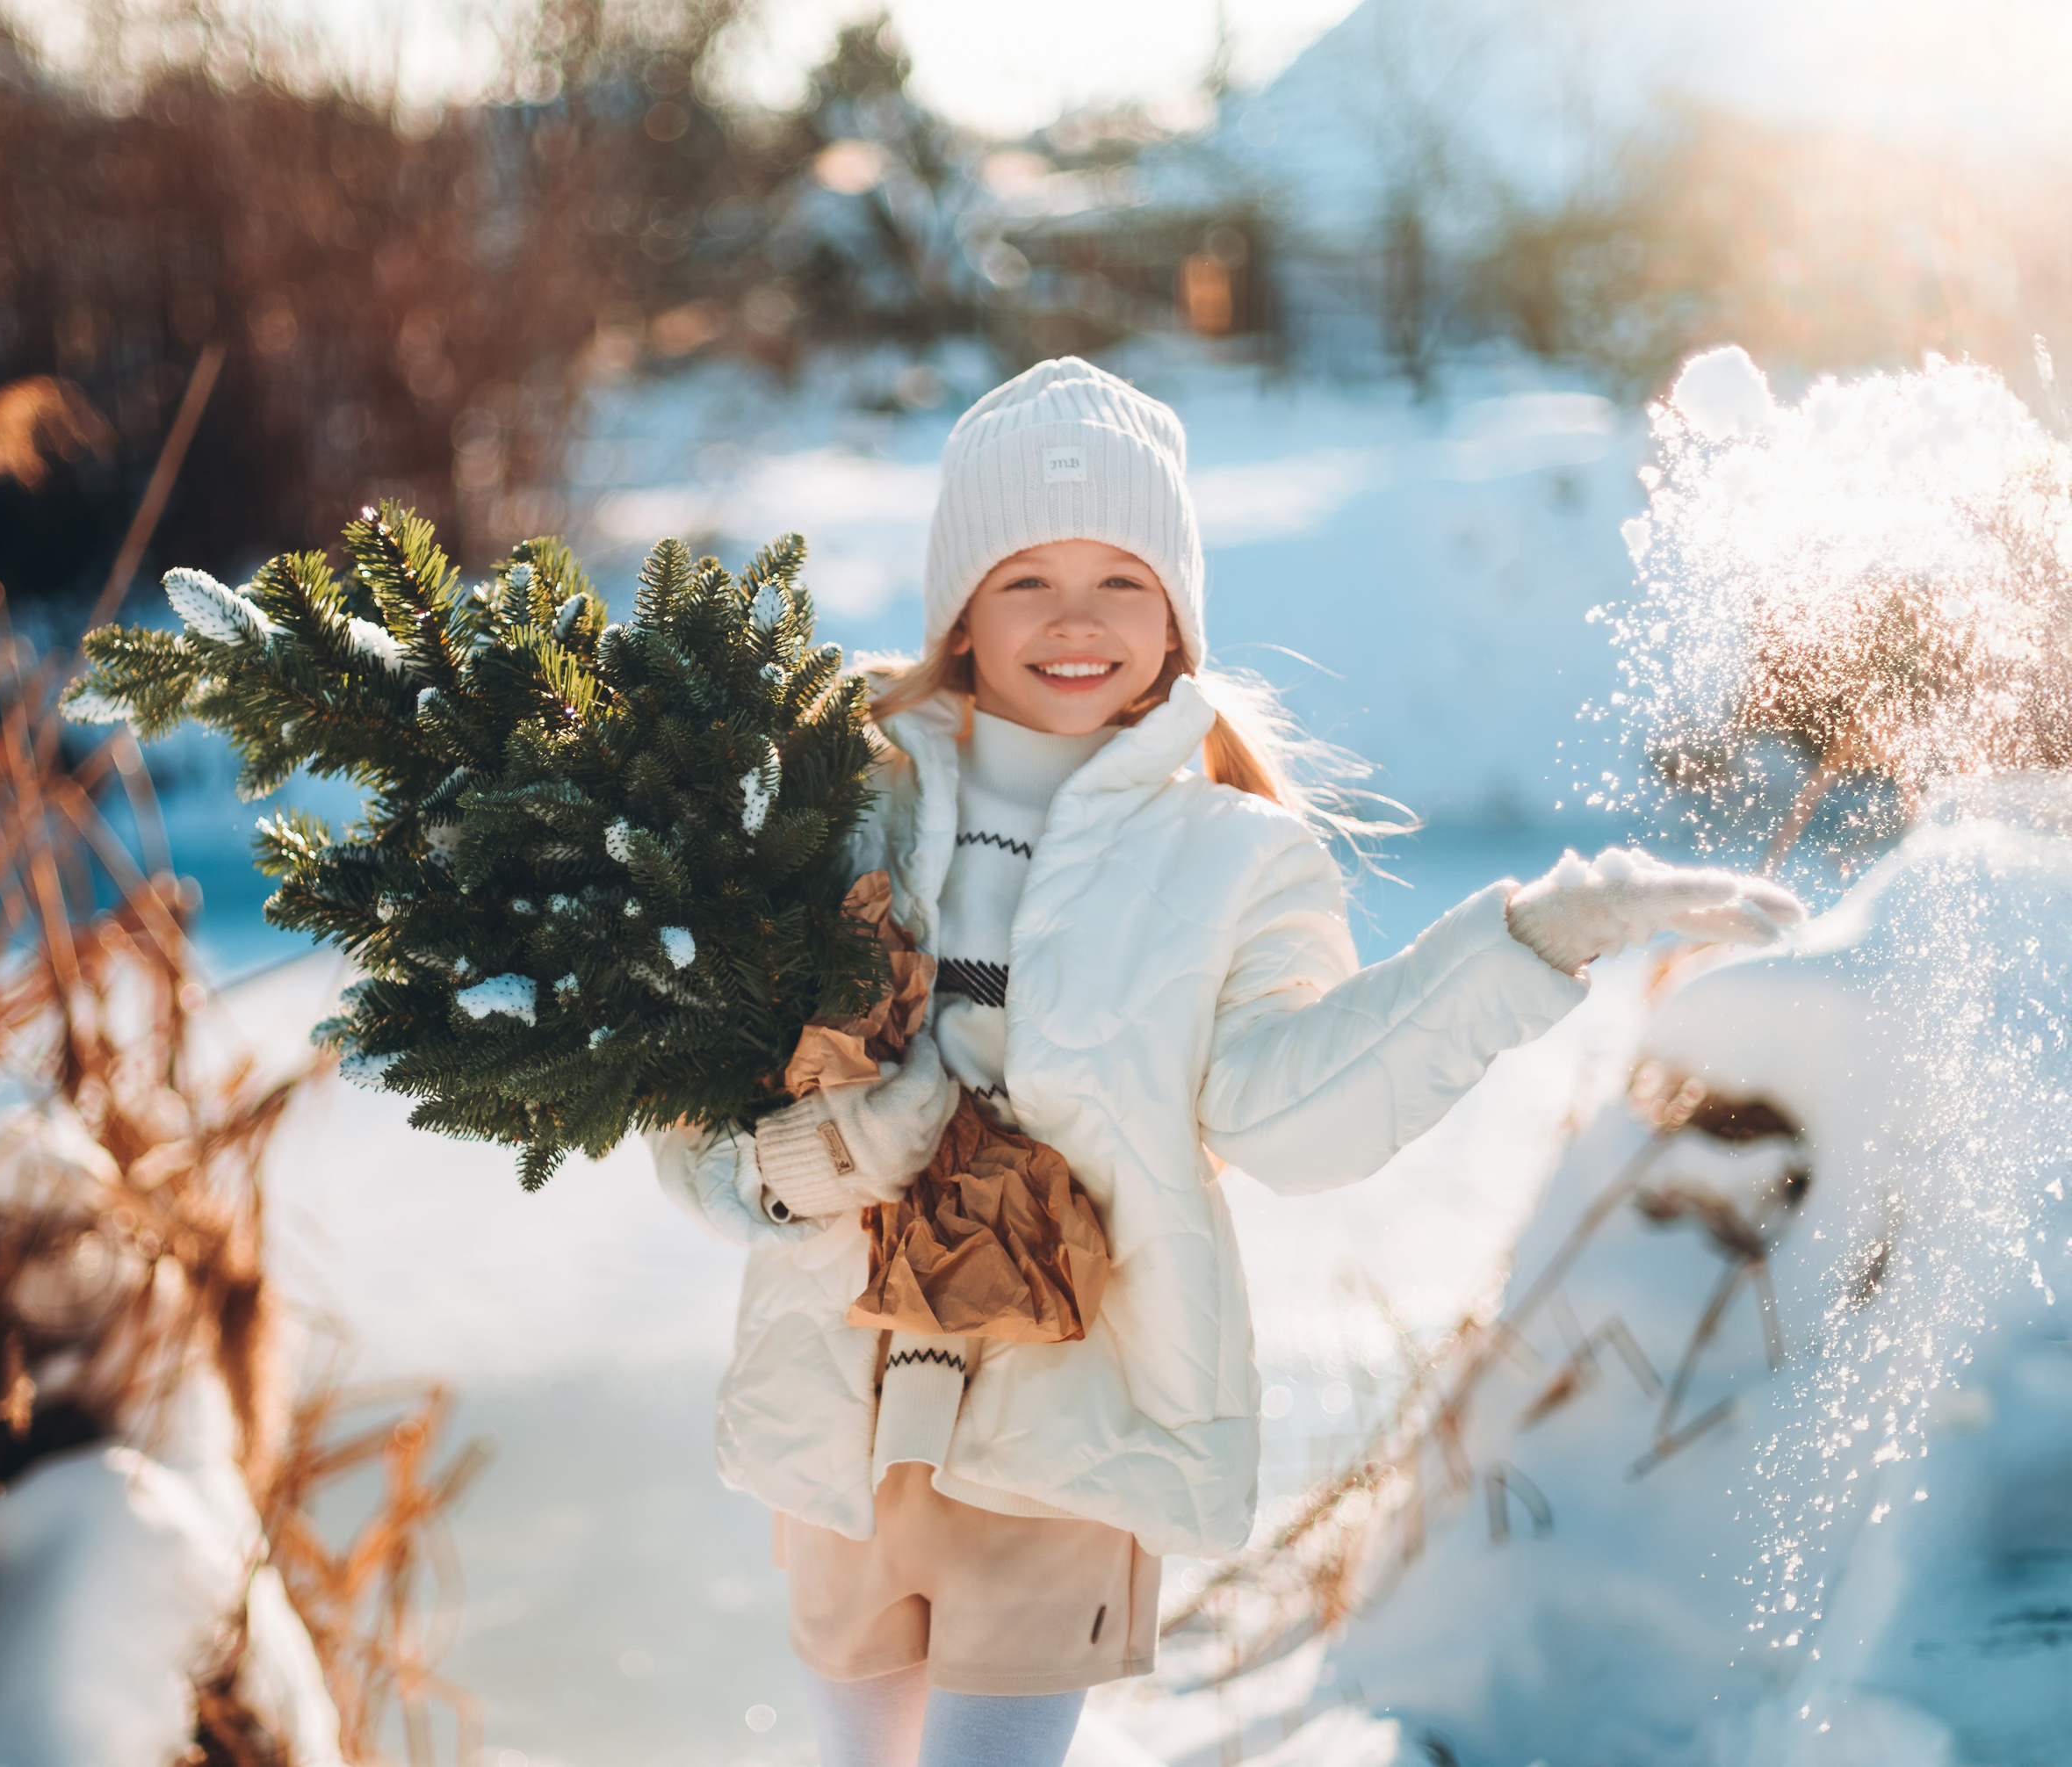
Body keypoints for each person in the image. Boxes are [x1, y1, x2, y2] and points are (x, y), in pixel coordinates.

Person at [652, 358, 1802, 1767]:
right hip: (838, 1415)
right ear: (960, 607)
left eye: (1123, 580)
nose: (1076, 621)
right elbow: (688, 1115)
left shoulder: (1236, 862)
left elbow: (1296, 1114)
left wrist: (1525, 944)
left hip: (1070, 1433)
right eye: (1027, 580)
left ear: (1180, 612)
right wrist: (819, 1156)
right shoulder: (836, 808)